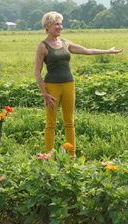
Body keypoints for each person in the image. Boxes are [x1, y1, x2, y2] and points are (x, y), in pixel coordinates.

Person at [34, 11, 123, 158]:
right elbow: (37, 72)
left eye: (61, 24)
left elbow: (86, 51)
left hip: (69, 84)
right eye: (57, 24)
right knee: (51, 123)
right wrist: (44, 93)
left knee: (69, 122)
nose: (60, 27)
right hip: (52, 87)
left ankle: (71, 156)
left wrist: (108, 51)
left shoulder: (65, 43)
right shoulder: (42, 46)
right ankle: (47, 155)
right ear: (47, 26)